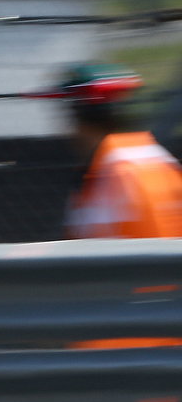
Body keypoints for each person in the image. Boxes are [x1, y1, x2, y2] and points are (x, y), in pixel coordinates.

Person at [34, 62, 182, 348]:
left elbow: (87, 265)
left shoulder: (113, 179)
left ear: (79, 118)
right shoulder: (157, 163)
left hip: (129, 349)